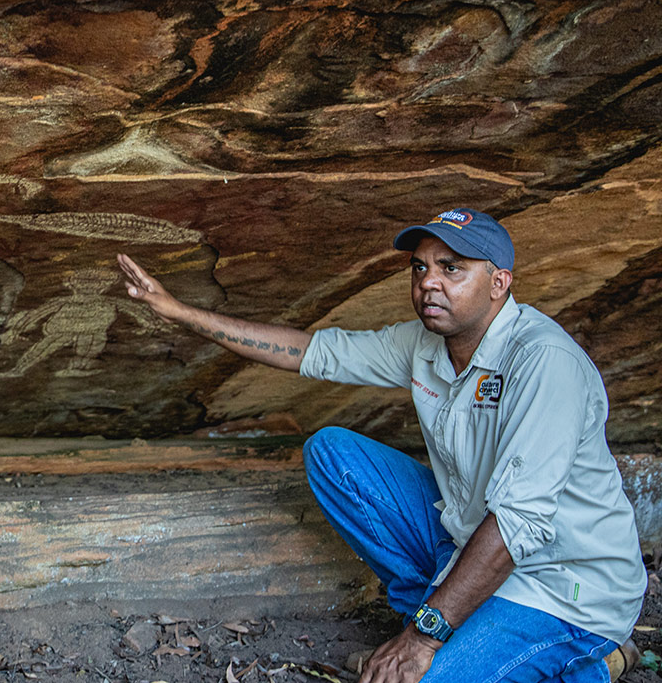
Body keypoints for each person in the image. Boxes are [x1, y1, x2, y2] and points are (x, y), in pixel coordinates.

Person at [119, 208, 645, 683]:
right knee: (332, 455)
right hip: (471, 546)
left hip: (563, 586)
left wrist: (422, 638)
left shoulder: (542, 361)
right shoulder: (427, 343)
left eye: (452, 268)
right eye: (420, 268)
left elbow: (515, 527)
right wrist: (180, 312)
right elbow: (313, 353)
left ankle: (587, 661)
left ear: (499, 283)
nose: (429, 283)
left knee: (427, 678)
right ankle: (446, 620)